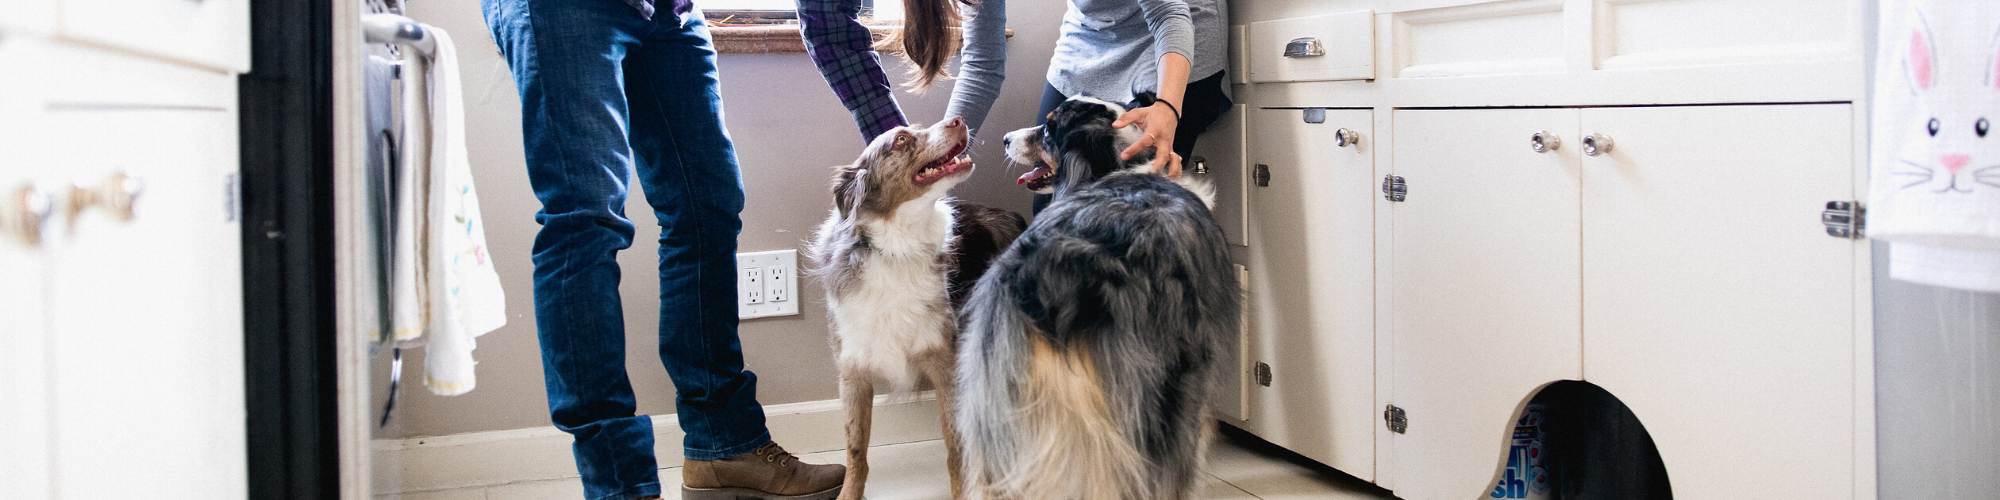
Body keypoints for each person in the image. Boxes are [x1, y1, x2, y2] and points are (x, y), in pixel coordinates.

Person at [481, 1, 845, 499]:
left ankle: (724, 445)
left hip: (668, 11)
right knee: (586, 218)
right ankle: (619, 484)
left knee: (707, 205)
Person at [799, 0, 1231, 210]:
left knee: (1129, 217)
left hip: (1174, 41)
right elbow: (984, 63)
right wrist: (943, 149)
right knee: (1052, 211)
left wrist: (1168, 109)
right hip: (1092, 35)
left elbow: (1169, 15)